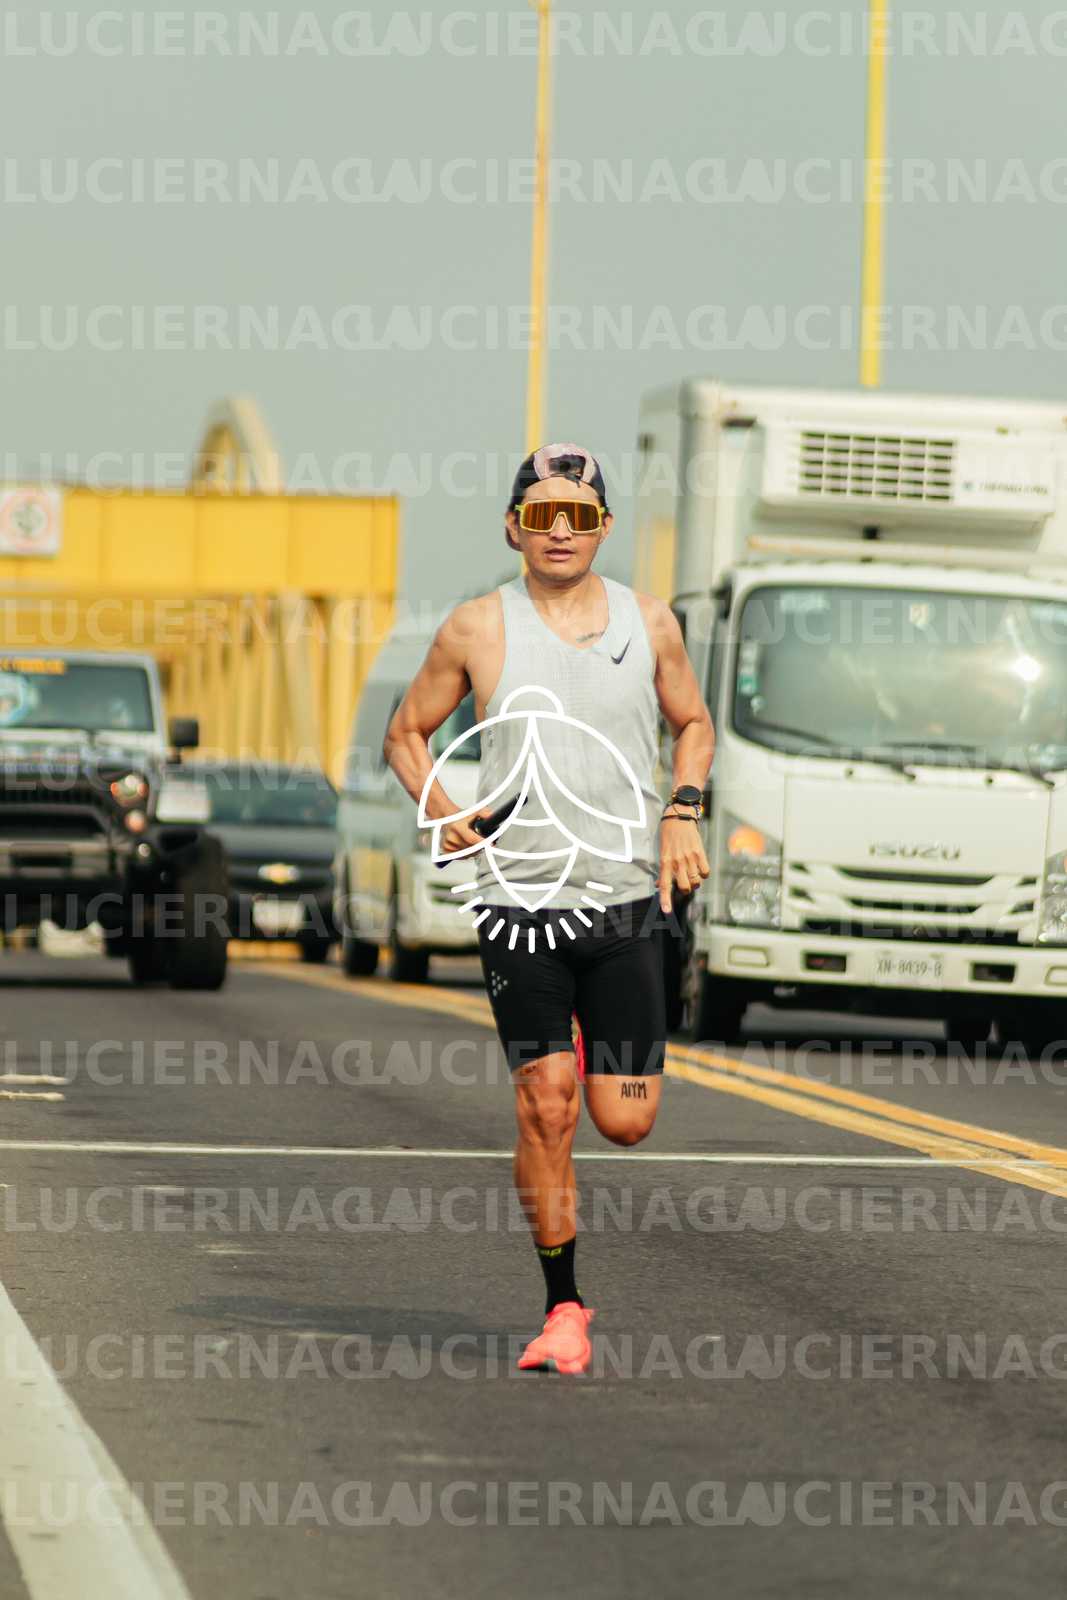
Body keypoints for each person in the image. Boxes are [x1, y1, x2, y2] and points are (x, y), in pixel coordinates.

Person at [383, 443, 714, 1374]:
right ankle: (562, 1306)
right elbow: (405, 734)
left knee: (625, 1119)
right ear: (512, 527)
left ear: (602, 528)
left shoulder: (649, 622)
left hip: (624, 902)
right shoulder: (476, 628)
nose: (558, 532)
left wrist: (681, 809)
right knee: (545, 1106)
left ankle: (581, 1051)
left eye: (576, 517)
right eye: (540, 516)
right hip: (518, 902)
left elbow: (693, 722)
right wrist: (442, 810)